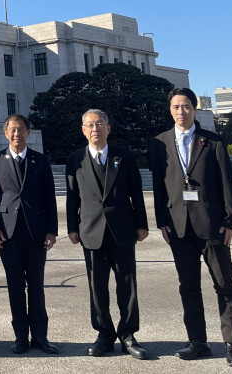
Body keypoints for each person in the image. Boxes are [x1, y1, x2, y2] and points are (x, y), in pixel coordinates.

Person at [151, 88, 232, 368]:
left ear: (195, 109)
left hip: (212, 225)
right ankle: (198, 341)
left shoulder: (212, 141)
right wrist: (162, 221)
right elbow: (159, 186)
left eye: (187, 106)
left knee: (225, 285)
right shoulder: (160, 142)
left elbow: (228, 183)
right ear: (170, 110)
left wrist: (230, 220)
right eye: (177, 107)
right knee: (188, 286)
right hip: (179, 227)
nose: (182, 112)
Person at [66, 109, 149, 360]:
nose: (95, 129)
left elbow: (136, 192)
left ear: (108, 128)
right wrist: (72, 227)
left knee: (127, 285)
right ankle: (104, 334)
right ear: (83, 130)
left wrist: (142, 224)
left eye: (100, 124)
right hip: (91, 231)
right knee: (97, 287)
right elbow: (72, 198)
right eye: (90, 125)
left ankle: (128, 334)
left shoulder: (123, 156)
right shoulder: (75, 159)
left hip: (122, 230)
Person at [0, 113, 59, 355]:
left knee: (36, 284)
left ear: (28, 132)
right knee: (15, 286)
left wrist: (52, 230)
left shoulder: (41, 160)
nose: (17, 134)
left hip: (36, 231)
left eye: (21, 130)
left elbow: (50, 197)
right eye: (12, 130)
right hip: (7, 233)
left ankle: (40, 335)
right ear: (6, 133)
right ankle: (20, 336)